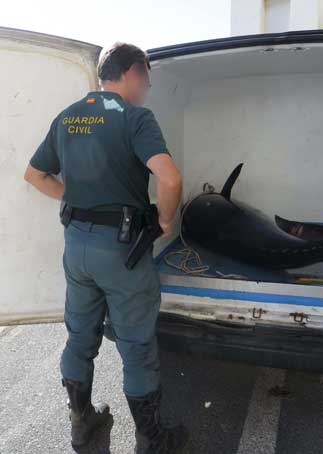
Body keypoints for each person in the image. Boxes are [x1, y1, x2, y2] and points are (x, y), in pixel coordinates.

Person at [23, 42, 188, 453]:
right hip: (121, 250)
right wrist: (165, 221)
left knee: (80, 336)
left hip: (76, 246)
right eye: (146, 79)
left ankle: (82, 424)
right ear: (131, 72)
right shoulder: (134, 117)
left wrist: (76, 198)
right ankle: (152, 439)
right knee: (135, 344)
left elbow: (34, 174)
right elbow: (169, 180)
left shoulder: (67, 118)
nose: (146, 88)